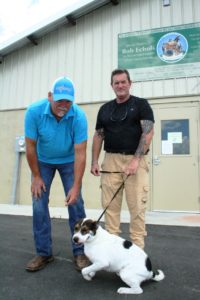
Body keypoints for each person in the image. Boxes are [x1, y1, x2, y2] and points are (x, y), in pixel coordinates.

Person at [24, 76, 90, 272]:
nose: (63, 105)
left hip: (69, 161)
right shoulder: (34, 112)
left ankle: (80, 252)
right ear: (49, 96)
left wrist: (76, 186)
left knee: (76, 203)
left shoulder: (78, 116)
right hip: (42, 162)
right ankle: (44, 253)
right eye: (59, 100)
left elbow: (80, 153)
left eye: (68, 101)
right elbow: (30, 147)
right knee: (38, 203)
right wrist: (36, 176)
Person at [91, 69, 154, 250]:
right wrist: (94, 161)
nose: (120, 85)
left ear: (129, 83)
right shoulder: (105, 109)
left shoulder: (141, 105)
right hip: (110, 161)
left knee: (137, 210)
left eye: (123, 82)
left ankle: (137, 256)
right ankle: (113, 255)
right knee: (110, 210)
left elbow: (148, 132)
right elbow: (98, 136)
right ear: (112, 86)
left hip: (136, 160)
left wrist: (135, 160)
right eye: (116, 83)